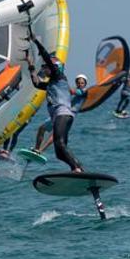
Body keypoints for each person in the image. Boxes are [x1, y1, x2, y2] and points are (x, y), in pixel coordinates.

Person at [27, 40, 84, 172]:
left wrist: (36, 41)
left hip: (62, 114)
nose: (42, 69)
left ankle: (76, 169)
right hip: (62, 117)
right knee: (59, 153)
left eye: (44, 67)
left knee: (59, 143)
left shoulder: (59, 76)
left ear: (53, 67)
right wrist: (30, 65)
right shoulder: (51, 83)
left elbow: (47, 57)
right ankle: (79, 168)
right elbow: (36, 83)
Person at [35, 74, 89, 154]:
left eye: (82, 83)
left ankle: (41, 150)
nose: (80, 84)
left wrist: (63, 83)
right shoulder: (74, 90)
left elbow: (72, 91)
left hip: (68, 116)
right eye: (78, 83)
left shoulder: (84, 91)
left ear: (85, 84)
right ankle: (36, 149)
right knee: (41, 128)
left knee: (55, 133)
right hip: (59, 112)